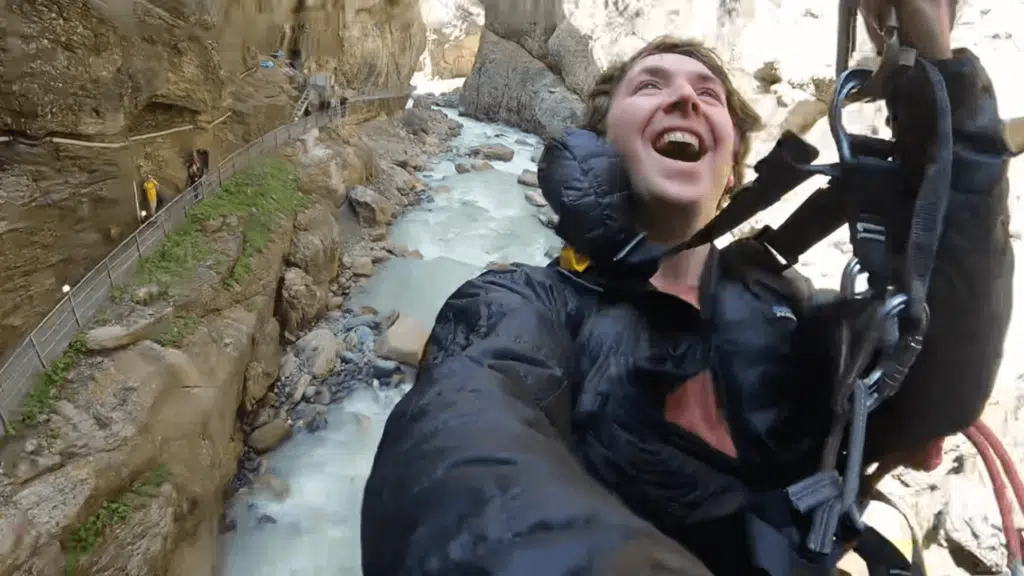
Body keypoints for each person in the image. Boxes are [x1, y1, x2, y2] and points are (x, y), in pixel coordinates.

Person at [361, 0, 1013, 573]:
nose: (685, 98)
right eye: (650, 86)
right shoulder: (522, 307)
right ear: (599, 146)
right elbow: (456, 447)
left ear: (732, 170)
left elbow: (942, 386)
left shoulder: (789, 312)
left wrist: (936, 62)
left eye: (708, 92)